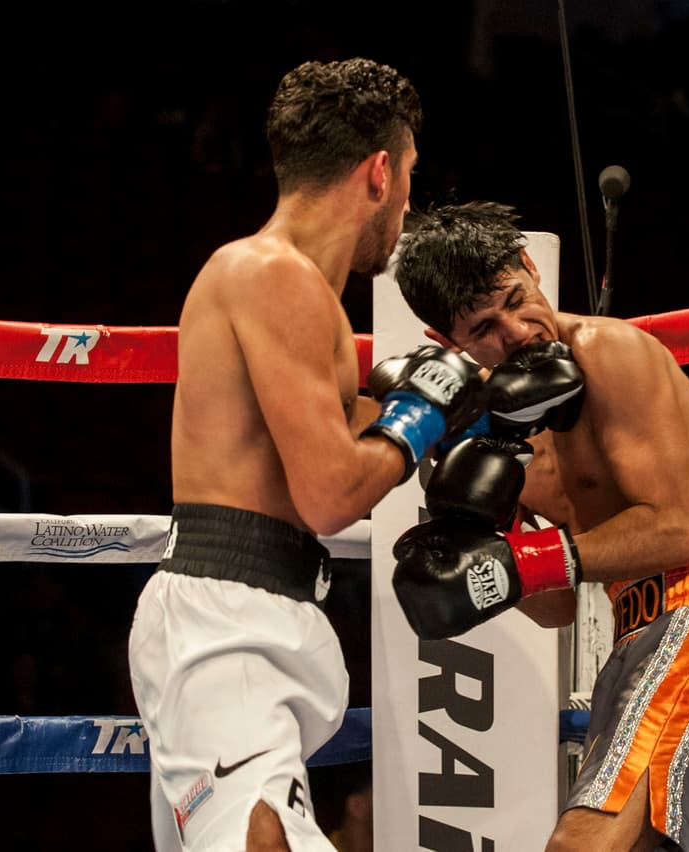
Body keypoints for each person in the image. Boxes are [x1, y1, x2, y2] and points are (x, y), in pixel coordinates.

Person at [127, 58, 496, 852]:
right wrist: (422, 414)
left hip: (249, 613)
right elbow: (331, 493)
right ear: (379, 172)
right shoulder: (273, 276)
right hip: (228, 623)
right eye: (409, 176)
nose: (408, 202)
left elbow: (355, 437)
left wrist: (463, 404)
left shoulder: (294, 293)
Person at [389, 201, 689, 852]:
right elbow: (556, 606)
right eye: (484, 328)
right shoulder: (502, 434)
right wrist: (483, 546)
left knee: (581, 843)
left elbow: (676, 532)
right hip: (637, 634)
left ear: (530, 267)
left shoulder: (608, 351)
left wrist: (521, 563)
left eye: (515, 300)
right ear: (448, 342)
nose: (517, 332)